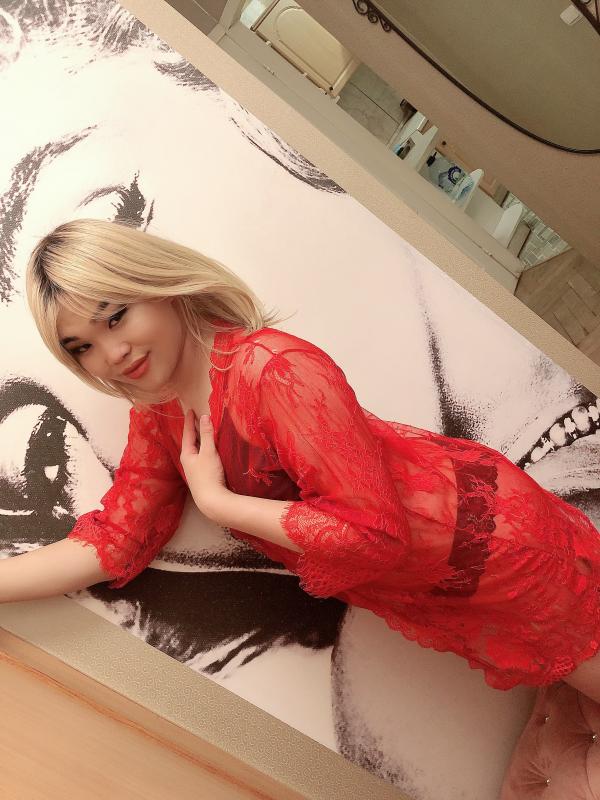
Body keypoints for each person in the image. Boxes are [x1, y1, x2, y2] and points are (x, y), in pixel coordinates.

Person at [6, 216, 600, 704]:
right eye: (82, 347)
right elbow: (117, 540)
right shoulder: (161, 415)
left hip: (494, 549)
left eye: (116, 316)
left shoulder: (275, 368)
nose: (112, 353)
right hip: (438, 586)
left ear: (158, 285)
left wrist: (218, 503)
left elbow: (372, 535)